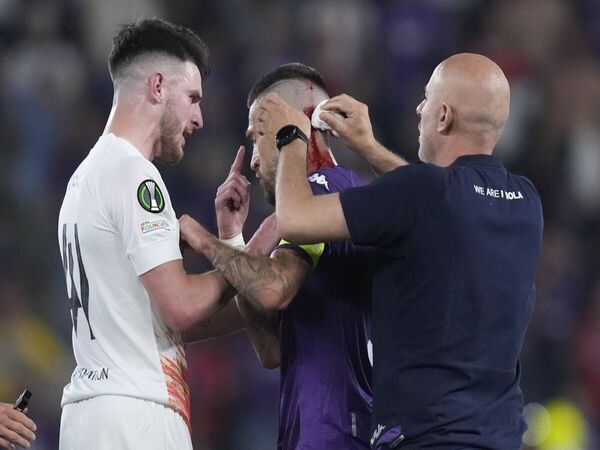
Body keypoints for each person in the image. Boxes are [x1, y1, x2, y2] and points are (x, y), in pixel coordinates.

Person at [253, 53, 543, 448]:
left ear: (443, 117)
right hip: (500, 437)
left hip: (428, 437)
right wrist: (370, 147)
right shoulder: (525, 203)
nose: (418, 109)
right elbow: (431, 204)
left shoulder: (424, 193)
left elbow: (295, 218)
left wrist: (291, 137)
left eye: (426, 99)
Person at [179, 63, 402, 449]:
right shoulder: (332, 201)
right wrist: (232, 236)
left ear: (295, 126)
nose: (252, 159)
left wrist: (203, 240)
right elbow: (269, 349)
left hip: (335, 432)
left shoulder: (326, 189)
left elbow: (272, 290)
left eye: (257, 135)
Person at [57, 19, 239, 450]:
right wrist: (252, 250)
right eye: (192, 98)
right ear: (158, 86)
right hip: (137, 414)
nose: (199, 117)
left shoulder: (83, 179)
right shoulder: (137, 173)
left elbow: (151, 320)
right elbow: (181, 307)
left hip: (87, 417)